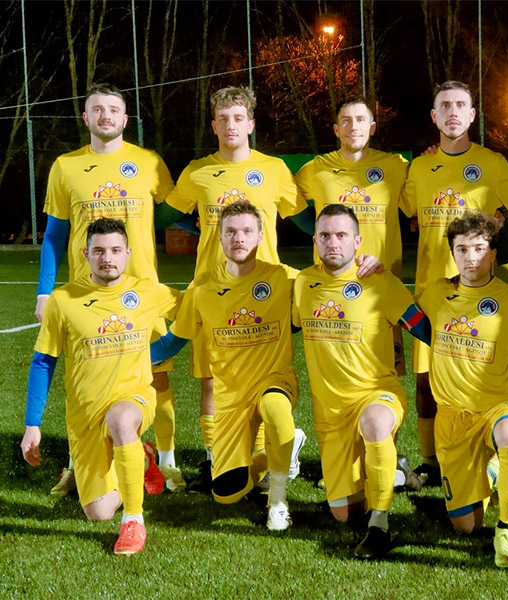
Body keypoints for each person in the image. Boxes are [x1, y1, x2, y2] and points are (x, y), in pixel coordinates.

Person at [155, 86, 307, 490]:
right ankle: (217, 462)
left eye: (238, 117)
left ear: (251, 124)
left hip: (264, 293)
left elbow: (304, 218)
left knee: (259, 382)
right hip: (212, 291)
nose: (231, 125)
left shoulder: (274, 169)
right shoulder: (197, 172)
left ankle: (266, 458)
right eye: (223, 118)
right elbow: (164, 216)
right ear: (213, 125)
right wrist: (201, 228)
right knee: (211, 381)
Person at [35, 82, 183, 495]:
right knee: (82, 383)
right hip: (85, 296)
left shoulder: (149, 162)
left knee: (157, 379)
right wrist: (44, 292)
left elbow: (174, 213)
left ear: (125, 118)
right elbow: (54, 235)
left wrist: (217, 226)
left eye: (113, 110)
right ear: (86, 118)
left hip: (143, 292)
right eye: (97, 110)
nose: (106, 116)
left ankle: (167, 463)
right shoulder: (65, 166)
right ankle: (77, 464)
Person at [21, 218, 183, 555]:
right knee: (99, 511)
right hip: (85, 415)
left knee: (121, 419)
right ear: (85, 255)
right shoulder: (64, 300)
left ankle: (134, 521)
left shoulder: (147, 291)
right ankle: (141, 457)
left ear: (128, 253)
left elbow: (195, 311)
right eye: (98, 251)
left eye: (115, 250)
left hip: (133, 397)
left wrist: (163, 349)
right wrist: (32, 423)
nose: (107, 258)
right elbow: (43, 361)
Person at [400, 80, 508, 485]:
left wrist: (497, 224)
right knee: (427, 382)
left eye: (461, 105)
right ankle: (431, 463)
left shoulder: (492, 163)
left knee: (478, 377)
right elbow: (402, 208)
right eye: (445, 105)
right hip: (431, 290)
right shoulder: (419, 167)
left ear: (473, 115)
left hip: (480, 294)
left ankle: (486, 452)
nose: (453, 111)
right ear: (434, 116)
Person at [150, 201, 301, 530]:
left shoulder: (284, 277)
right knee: (225, 493)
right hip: (231, 400)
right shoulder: (202, 287)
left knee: (276, 409)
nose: (239, 238)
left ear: (260, 236)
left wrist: (363, 267)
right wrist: (131, 357)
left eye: (247, 231)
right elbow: (174, 340)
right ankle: (286, 447)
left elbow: (326, 287)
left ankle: (278, 501)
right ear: (218, 237)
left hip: (274, 379)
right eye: (230, 231)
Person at [292, 204, 430, 559]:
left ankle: (379, 526)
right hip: (331, 415)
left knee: (375, 423)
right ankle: (395, 474)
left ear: (357, 241)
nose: (333, 242)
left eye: (341, 235)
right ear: (315, 241)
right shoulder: (303, 283)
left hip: (378, 394)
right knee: (344, 514)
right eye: (325, 236)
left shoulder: (380, 282)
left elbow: (425, 329)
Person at [417, 211, 508, 569]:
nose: (471, 258)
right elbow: (407, 318)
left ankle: (507, 529)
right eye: (462, 249)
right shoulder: (436, 294)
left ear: (493, 253)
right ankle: (492, 471)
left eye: (480, 249)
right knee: (465, 527)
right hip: (452, 421)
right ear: (452, 253)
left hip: (498, 408)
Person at [294, 97, 411, 376]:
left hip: (381, 288)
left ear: (372, 127)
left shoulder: (397, 166)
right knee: (335, 374)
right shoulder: (316, 169)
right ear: (336, 130)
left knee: (385, 375)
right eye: (345, 121)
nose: (353, 126)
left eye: (360, 120)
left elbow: (431, 192)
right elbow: (286, 202)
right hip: (332, 290)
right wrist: (315, 231)